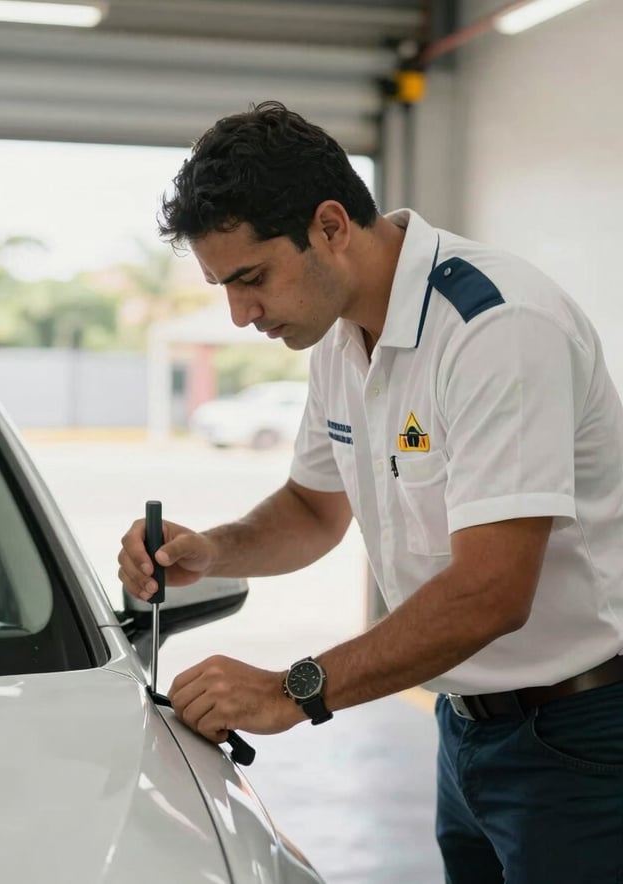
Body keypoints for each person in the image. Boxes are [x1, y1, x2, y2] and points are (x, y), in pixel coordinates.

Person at [117, 100, 623, 883]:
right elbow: (315, 509)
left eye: (251, 278)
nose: (241, 314)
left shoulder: (496, 329)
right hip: (469, 728)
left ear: (329, 226)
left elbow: (491, 592)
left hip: (585, 736)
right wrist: (211, 550)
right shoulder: (341, 337)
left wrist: (294, 691)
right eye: (223, 286)